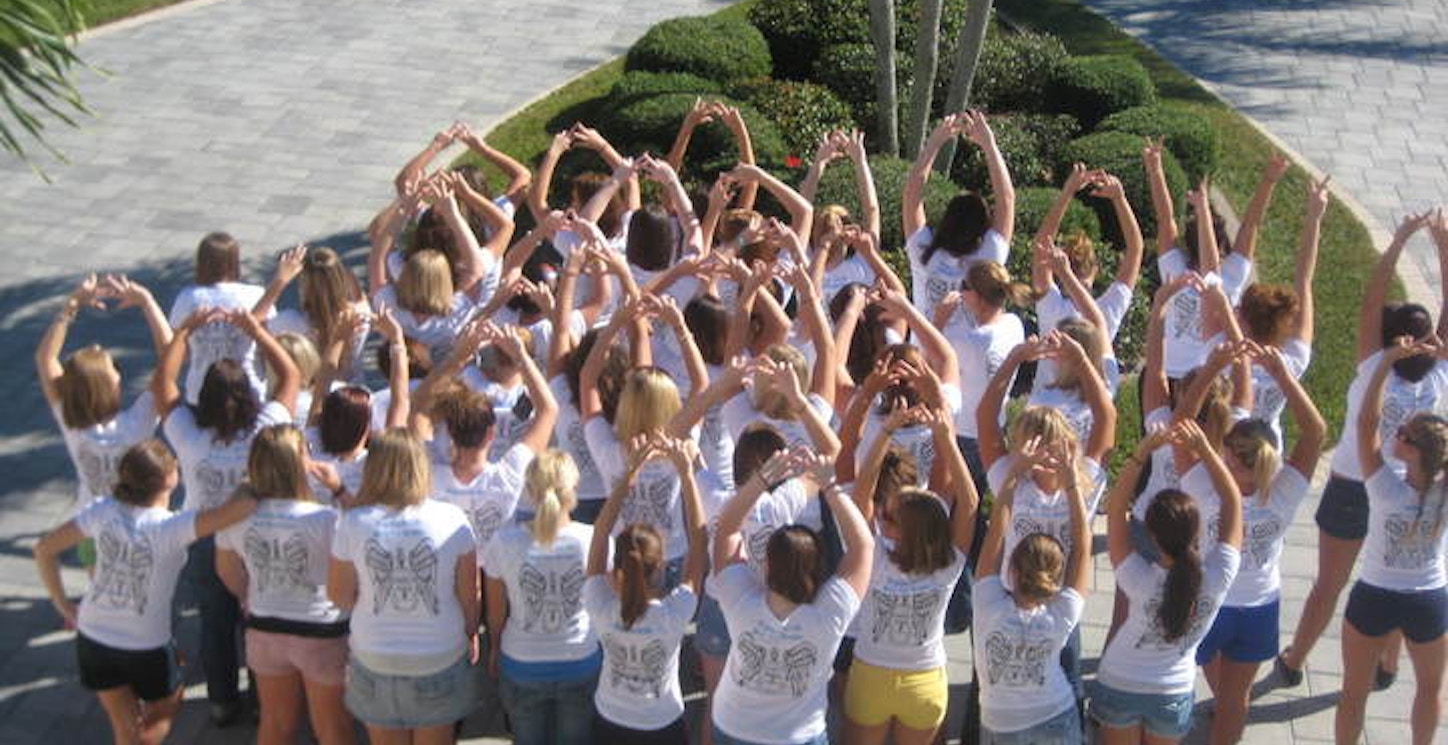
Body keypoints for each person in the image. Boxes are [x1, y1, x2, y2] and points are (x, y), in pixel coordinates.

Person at [1278, 213, 1448, 686]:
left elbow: (1371, 300)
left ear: (1391, 340)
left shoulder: (1375, 366)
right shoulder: (1437, 379)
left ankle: (1294, 661)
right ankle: (1388, 664)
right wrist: (1443, 247)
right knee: (1395, 576)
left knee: (1328, 586)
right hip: (1411, 490)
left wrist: (1398, 240)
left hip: (1354, 484)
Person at [32, 439, 258, 745]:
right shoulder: (173, 527)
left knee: (124, 728)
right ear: (169, 479)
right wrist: (247, 475)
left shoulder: (103, 510)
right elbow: (243, 507)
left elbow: (44, 550)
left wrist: (65, 606)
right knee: (170, 701)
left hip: (93, 636)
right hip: (146, 645)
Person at [154, 307, 301, 725]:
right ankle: (261, 698)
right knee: (259, 619)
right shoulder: (266, 429)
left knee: (214, 623)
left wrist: (184, 332)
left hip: (204, 537)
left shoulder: (189, 433)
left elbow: (162, 384)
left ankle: (221, 701)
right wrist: (255, 331)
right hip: (258, 538)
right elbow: (290, 377)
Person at [1195, 347, 1326, 745]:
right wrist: (1283, 376)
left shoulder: (1205, 485)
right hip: (1259, 607)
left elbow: (1184, 420)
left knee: (1220, 692)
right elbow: (1315, 432)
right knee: (1235, 701)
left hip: (1208, 604)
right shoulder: (1283, 490)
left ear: (1230, 456)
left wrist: (1214, 368)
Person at [709, 447, 874, 745]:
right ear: (818, 568)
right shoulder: (831, 614)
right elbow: (863, 547)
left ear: (768, 564)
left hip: (733, 727)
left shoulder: (739, 602)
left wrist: (760, 480)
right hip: (799, 736)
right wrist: (831, 488)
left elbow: (726, 531)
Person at [1094, 420, 1244, 745]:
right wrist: (1205, 450)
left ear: (1152, 535)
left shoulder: (1137, 578)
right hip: (1172, 692)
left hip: (1120, 681)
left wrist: (1141, 454)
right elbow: (1233, 503)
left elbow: (1116, 508)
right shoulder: (1218, 576)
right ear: (1198, 531)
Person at [328, 429, 479, 744]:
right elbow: (469, 595)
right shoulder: (453, 519)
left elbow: (339, 597)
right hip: (439, 655)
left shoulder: (353, 523)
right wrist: (470, 633)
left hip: (373, 656)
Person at [843, 402, 978, 745]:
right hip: (926, 682)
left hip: (871, 676)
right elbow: (971, 501)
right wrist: (946, 439)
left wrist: (886, 431)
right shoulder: (950, 564)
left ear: (902, 531)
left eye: (887, 516)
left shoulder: (874, 558)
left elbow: (861, 493)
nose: (879, 517)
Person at [1336, 338, 1448, 745]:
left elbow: (1367, 422)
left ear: (1415, 451)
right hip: (1428, 599)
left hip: (1376, 595)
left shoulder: (1384, 487)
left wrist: (1386, 363)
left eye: (1404, 433)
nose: (1395, 432)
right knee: (1430, 687)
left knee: (1353, 691)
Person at [215, 425, 355, 745]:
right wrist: (340, 490)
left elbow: (227, 572)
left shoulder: (236, 516)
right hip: (322, 630)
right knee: (333, 729)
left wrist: (249, 597)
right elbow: (367, 535)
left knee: (275, 724)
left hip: (265, 626)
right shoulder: (326, 519)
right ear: (301, 461)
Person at [583, 434, 707, 743]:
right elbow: (700, 540)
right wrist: (687, 473)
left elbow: (600, 532)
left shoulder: (599, 604)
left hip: (610, 720)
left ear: (617, 567)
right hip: (662, 724)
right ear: (661, 565)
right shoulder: (674, 612)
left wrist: (628, 476)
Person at [972, 437, 1091, 744]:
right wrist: (1072, 483)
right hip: (1057, 713)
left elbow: (996, 532)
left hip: (1001, 725)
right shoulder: (1063, 614)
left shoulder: (987, 604)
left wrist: (1014, 473)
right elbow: (1082, 546)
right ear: (1056, 577)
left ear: (1010, 569)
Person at [482, 450, 600, 745]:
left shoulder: (502, 542)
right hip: (580, 662)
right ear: (573, 489)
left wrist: (495, 648)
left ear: (530, 491)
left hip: (521, 664)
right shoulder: (594, 540)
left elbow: (495, 612)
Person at [36, 275, 171, 528]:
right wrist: (147, 302)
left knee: (95, 569)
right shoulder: (137, 424)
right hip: (135, 527)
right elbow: (169, 358)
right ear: (111, 386)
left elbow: (46, 359)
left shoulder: (72, 422)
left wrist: (72, 305)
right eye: (114, 370)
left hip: (88, 525)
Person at [902, 111, 1016, 312]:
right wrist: (989, 145)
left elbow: (911, 195)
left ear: (947, 219)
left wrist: (934, 143)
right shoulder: (989, 257)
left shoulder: (924, 253)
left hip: (922, 344)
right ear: (984, 225)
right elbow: (1006, 199)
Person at [169, 232, 270, 404]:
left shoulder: (187, 297)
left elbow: (178, 349)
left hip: (200, 392)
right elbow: (268, 344)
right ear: (234, 262)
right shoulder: (256, 295)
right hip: (248, 389)